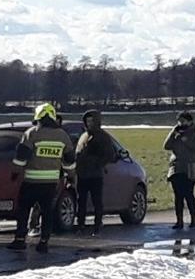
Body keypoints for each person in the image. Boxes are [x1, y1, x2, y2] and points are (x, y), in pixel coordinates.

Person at [9, 103, 76, 252]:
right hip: (50, 184)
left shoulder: (32, 133)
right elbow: (69, 161)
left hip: (31, 182)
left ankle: (20, 240)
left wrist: (14, 174)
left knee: (23, 211)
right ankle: (44, 242)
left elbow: (21, 158)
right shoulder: (63, 136)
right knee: (47, 213)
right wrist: (71, 177)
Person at [73, 110, 119, 233]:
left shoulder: (103, 136)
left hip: (95, 174)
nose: (89, 123)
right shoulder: (83, 136)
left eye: (92, 121)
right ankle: (80, 225)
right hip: (82, 174)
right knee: (81, 201)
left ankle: (97, 224)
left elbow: (110, 154)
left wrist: (97, 163)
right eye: (87, 121)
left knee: (96, 201)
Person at [165, 111, 195, 230]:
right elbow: (166, 146)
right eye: (179, 121)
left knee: (188, 194)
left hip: (190, 167)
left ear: (190, 121)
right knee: (178, 195)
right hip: (176, 167)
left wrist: (185, 140)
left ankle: (194, 219)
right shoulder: (176, 132)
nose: (181, 123)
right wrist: (173, 133)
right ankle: (179, 221)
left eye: (183, 121)